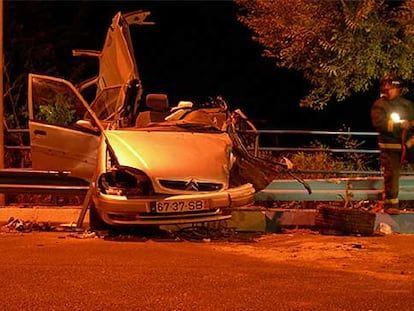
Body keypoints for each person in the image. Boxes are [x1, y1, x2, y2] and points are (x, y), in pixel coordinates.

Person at [371, 73, 414, 214]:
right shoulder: (379, 105)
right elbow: (379, 123)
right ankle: (391, 205)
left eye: (391, 87)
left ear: (398, 88)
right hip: (389, 147)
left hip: (408, 144)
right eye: (385, 87)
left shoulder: (407, 105)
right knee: (392, 175)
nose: (387, 89)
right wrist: (399, 125)